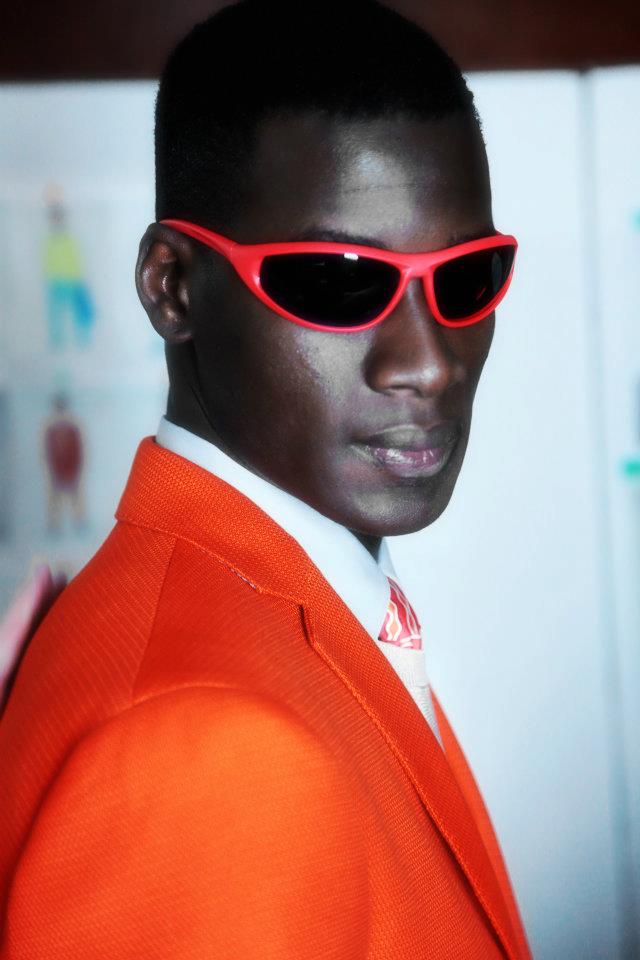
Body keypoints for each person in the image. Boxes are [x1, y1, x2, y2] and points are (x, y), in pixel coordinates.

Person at [0, 1, 530, 956]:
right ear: (172, 286)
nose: (428, 363)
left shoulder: (265, 610)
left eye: (467, 279)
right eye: (339, 281)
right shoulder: (204, 743)